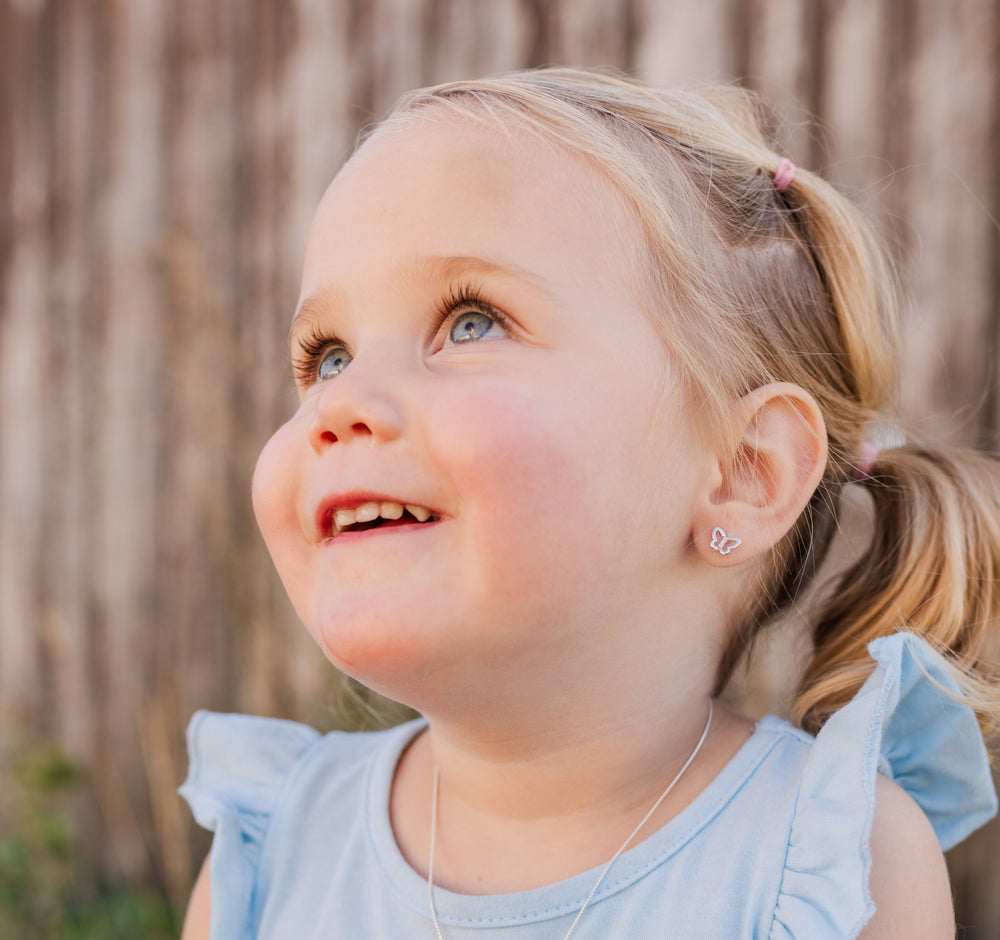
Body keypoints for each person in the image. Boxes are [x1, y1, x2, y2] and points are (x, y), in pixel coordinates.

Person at [179, 68, 1000, 938]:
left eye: (471, 322)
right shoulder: (275, 848)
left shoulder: (828, 867)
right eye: (328, 355)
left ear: (744, 472)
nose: (340, 404)